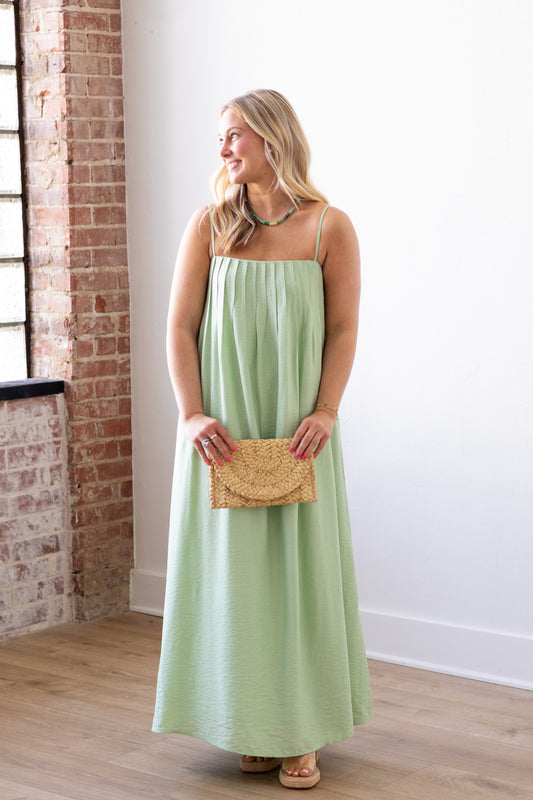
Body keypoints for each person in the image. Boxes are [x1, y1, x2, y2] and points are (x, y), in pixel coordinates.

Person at [152, 89, 372, 790]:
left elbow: (343, 329)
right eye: (221, 138)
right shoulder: (211, 224)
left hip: (299, 430)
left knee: (299, 578)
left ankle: (300, 731)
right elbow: (179, 328)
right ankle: (251, 722)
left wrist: (327, 410)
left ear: (272, 137)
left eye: (233, 135)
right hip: (225, 432)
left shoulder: (328, 227)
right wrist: (190, 415)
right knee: (235, 580)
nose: (222, 150)